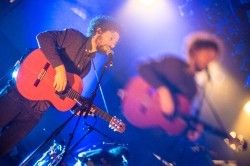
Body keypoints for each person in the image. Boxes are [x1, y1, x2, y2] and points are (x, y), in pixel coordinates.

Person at [0, 15, 121, 157]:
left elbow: (62, 90)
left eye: (115, 42)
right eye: (111, 38)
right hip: (19, 93)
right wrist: (59, 68)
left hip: (36, 113)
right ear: (99, 31)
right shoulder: (75, 37)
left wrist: (76, 108)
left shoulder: (87, 67)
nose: (113, 45)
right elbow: (43, 38)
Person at [122, 31, 224, 141]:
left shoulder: (194, 89)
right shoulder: (173, 62)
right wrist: (163, 90)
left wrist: (189, 130)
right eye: (208, 55)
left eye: (212, 59)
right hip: (132, 112)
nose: (209, 61)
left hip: (153, 134)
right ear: (196, 50)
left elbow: (177, 117)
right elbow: (143, 66)